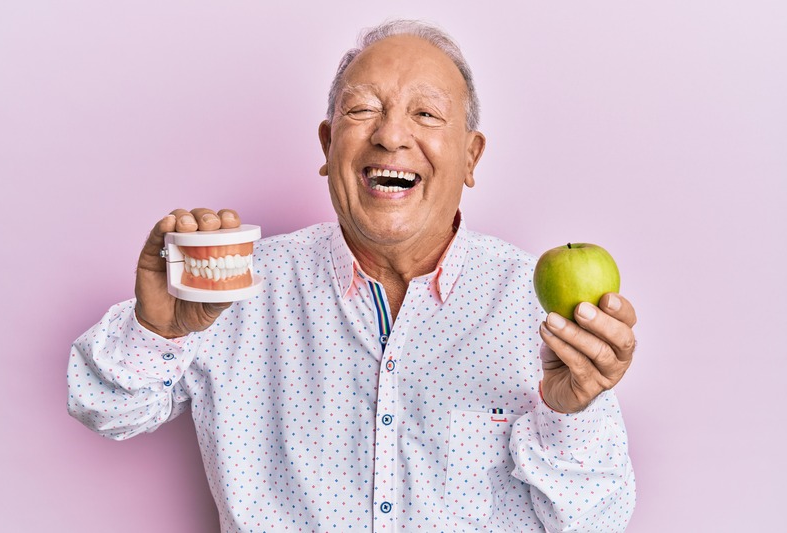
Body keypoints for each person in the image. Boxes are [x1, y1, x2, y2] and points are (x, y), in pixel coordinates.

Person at [68, 19, 637, 532]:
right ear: (327, 143)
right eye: (362, 110)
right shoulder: (231, 285)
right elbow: (104, 407)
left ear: (471, 157)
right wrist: (158, 329)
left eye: (426, 114)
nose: (391, 136)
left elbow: (594, 523)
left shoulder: (534, 306)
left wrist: (569, 412)